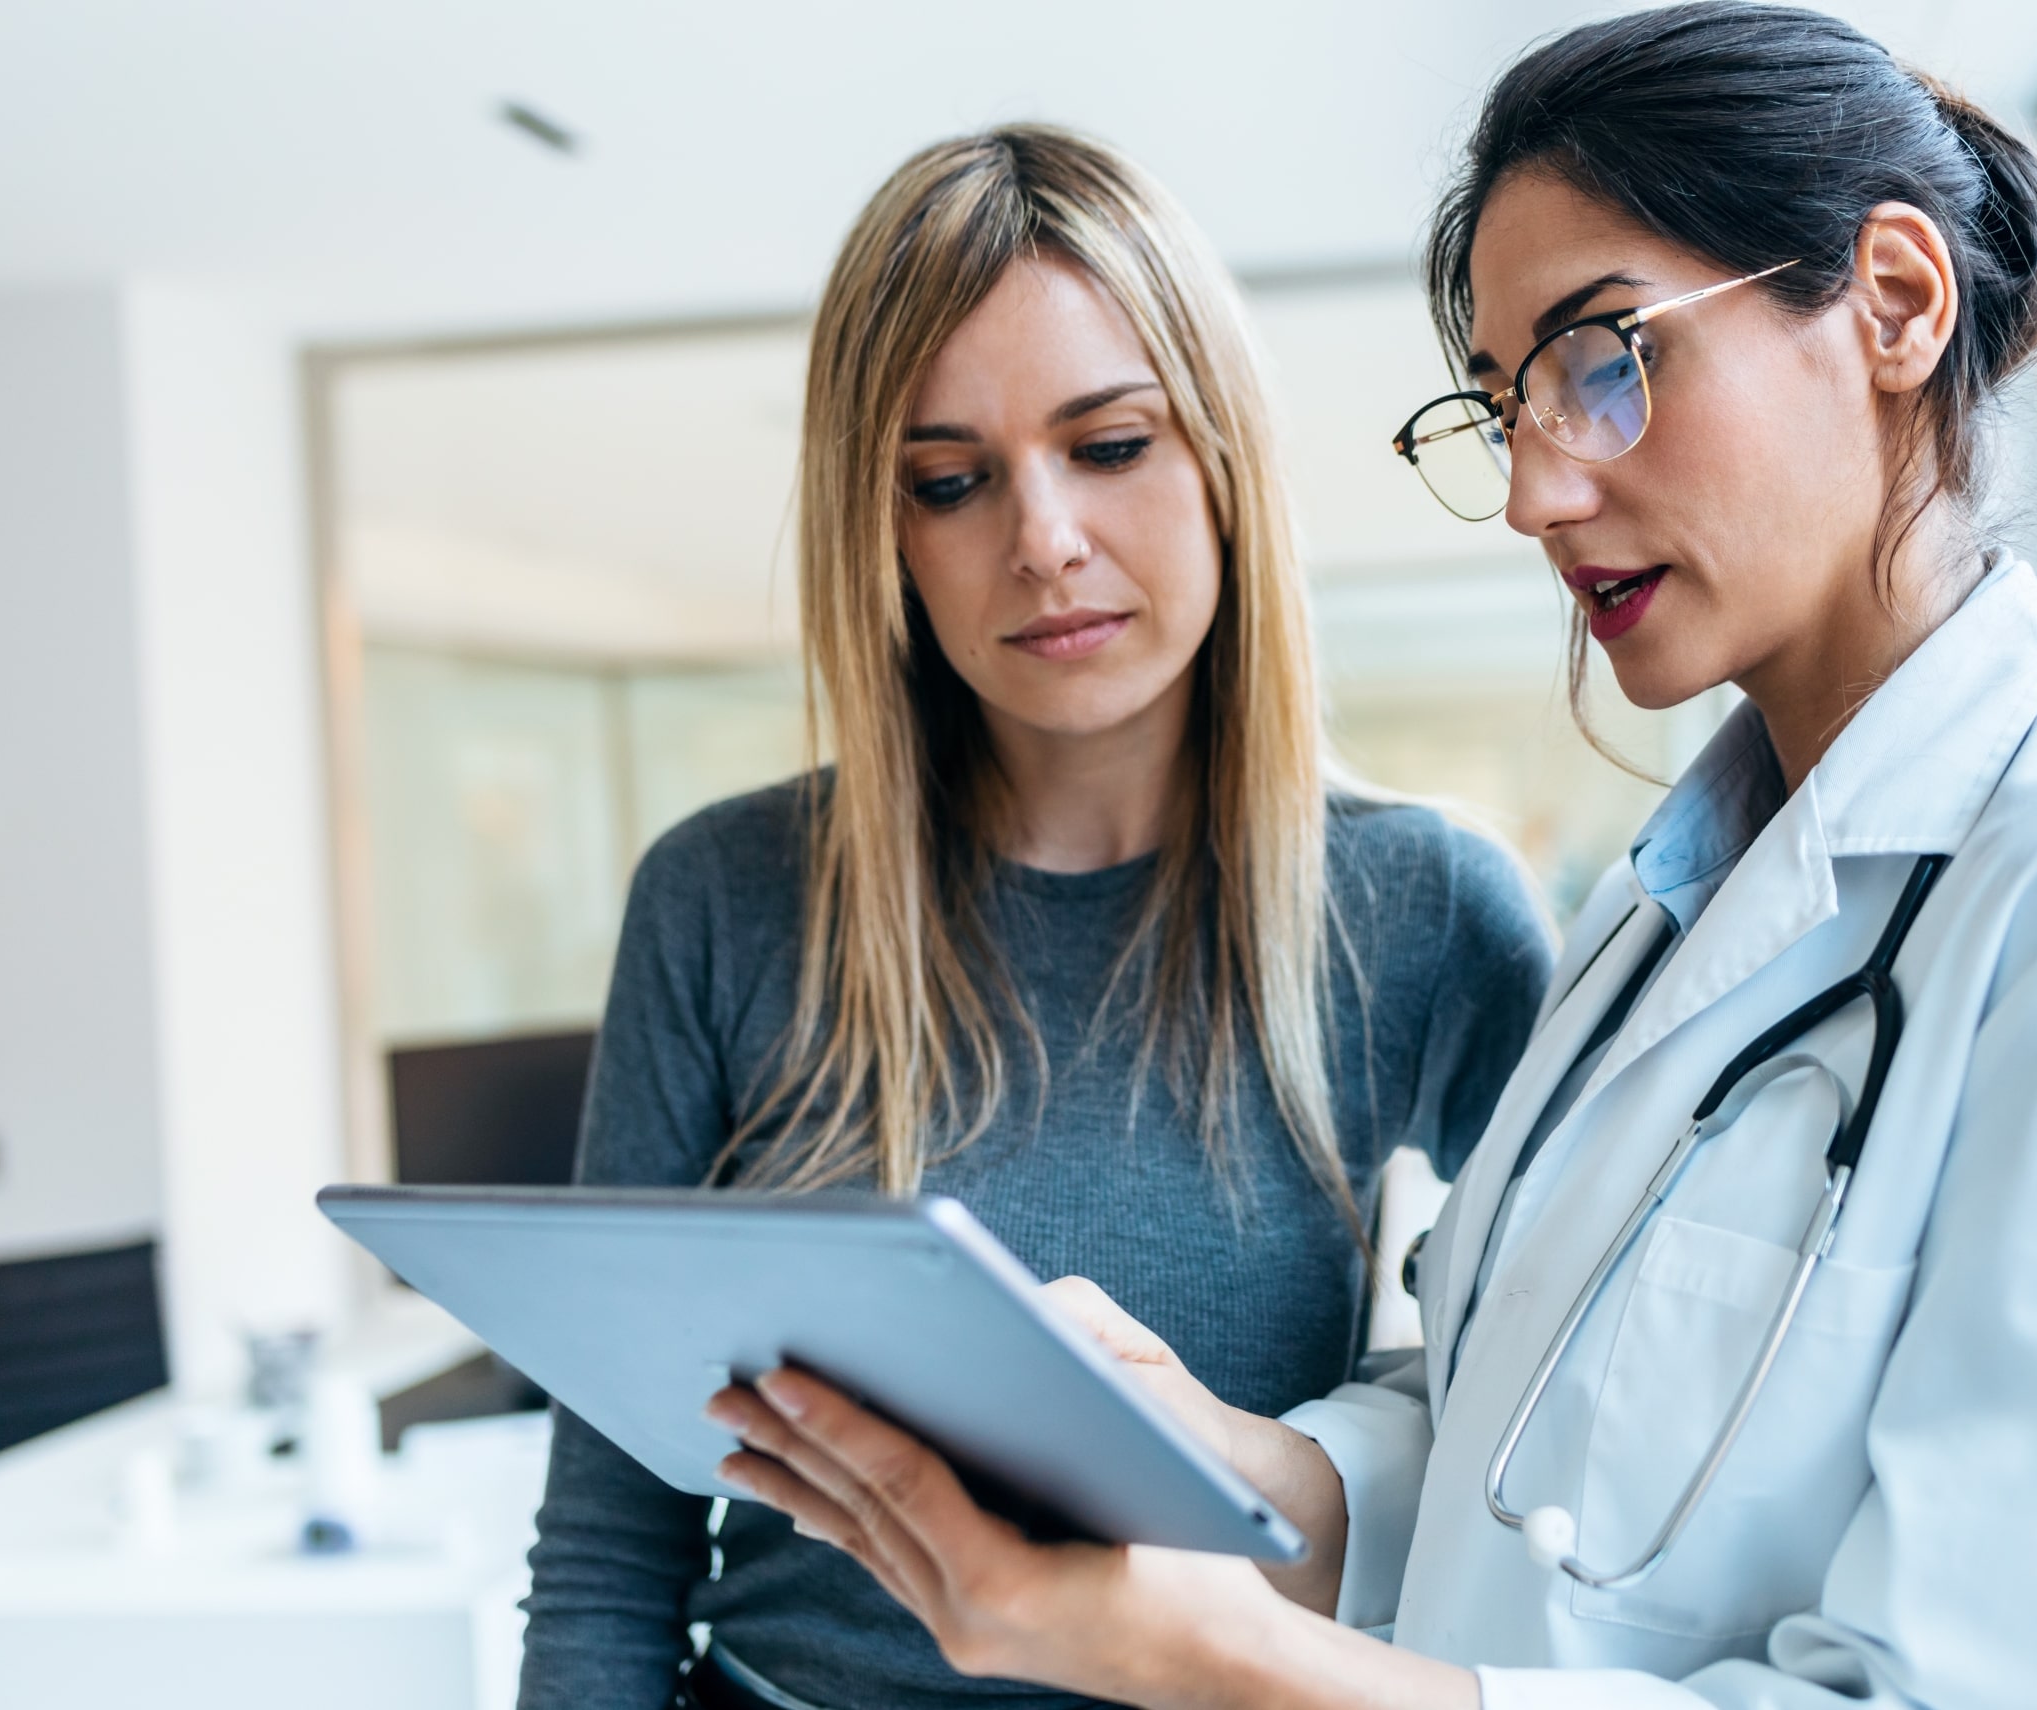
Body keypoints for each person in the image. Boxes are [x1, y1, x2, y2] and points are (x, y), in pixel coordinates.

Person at [703, 6, 2037, 1707]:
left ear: (1893, 303)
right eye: (1508, 402)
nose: (1533, 489)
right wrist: (1222, 1457)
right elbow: (1502, 1445)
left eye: (1608, 360)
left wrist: (1199, 1651)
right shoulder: (1669, 914)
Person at [516, 124, 1555, 1710]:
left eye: (1113, 445)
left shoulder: (1424, 907)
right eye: (951, 479)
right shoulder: (725, 899)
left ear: (1220, 456)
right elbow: (609, 1546)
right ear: (890, 531)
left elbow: (1542, 1432)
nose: (1043, 539)